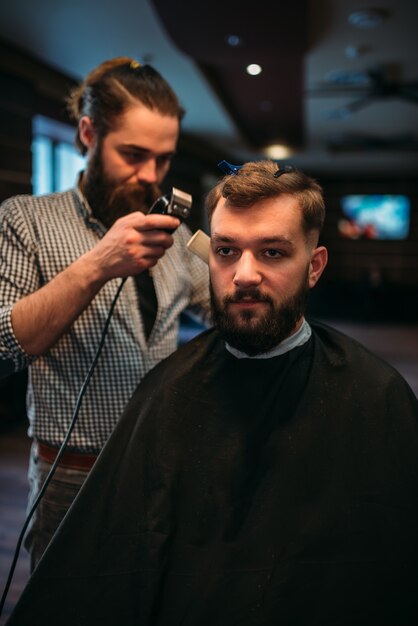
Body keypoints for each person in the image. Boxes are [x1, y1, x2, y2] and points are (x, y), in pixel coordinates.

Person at [6, 160, 418, 625]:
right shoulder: (166, 392)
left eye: (272, 253)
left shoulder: (376, 396)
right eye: (226, 251)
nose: (243, 274)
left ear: (315, 266)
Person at [0, 57, 210, 570]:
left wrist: (252, 260)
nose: (149, 177)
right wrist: (98, 264)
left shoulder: (178, 236)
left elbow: (221, 306)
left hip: (160, 466)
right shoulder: (24, 218)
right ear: (89, 134)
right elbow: (4, 343)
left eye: (163, 160)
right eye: (133, 155)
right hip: (69, 476)